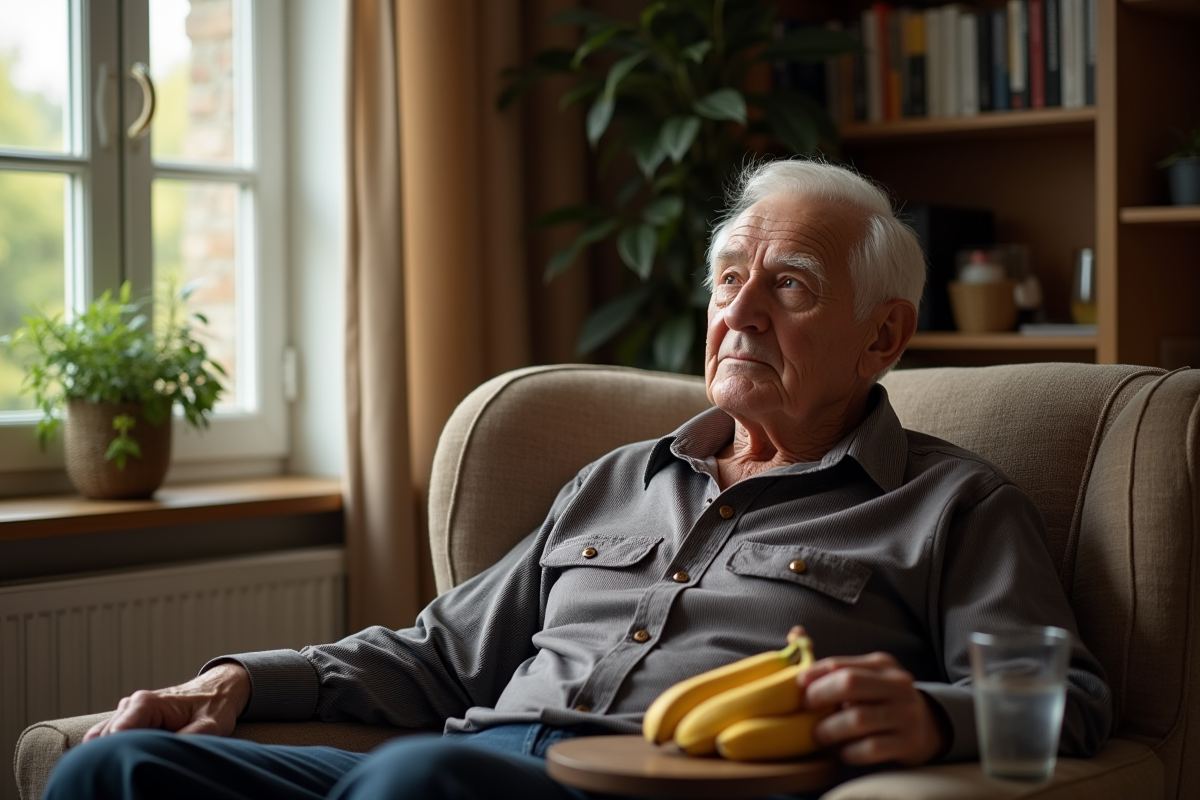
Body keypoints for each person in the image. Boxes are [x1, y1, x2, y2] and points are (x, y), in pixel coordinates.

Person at [45, 160, 1112, 800]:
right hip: (457, 765)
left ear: (884, 336)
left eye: (789, 285)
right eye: (729, 279)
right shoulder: (616, 480)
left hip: (626, 787)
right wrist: (237, 679)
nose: (740, 312)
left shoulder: (951, 505)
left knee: (415, 780)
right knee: (112, 771)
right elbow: (437, 655)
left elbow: (1069, 696)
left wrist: (932, 716)